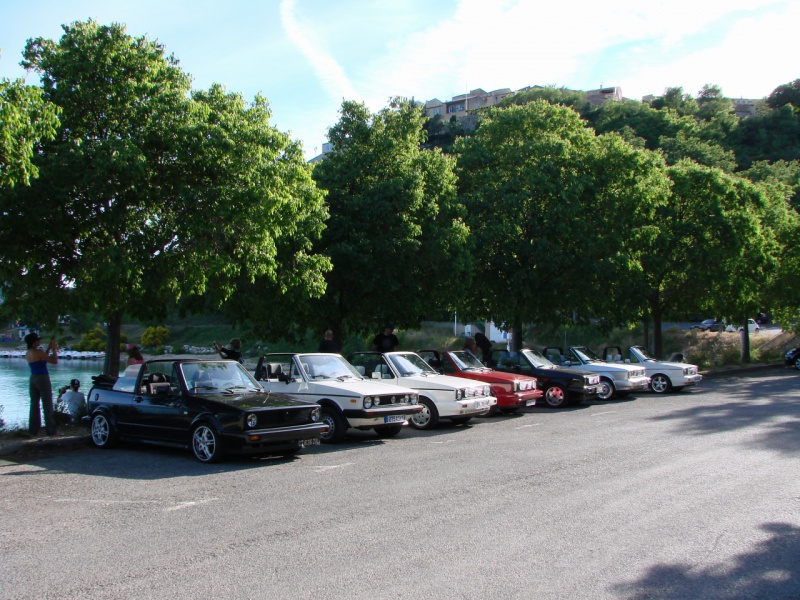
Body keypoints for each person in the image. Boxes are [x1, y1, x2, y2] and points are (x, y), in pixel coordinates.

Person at [24, 332, 58, 436]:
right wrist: (54, 349)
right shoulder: (39, 352)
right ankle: (51, 430)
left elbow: (42, 361)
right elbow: (54, 361)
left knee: (34, 404)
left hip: (33, 378)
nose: (39, 341)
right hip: (42, 378)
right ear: (33, 342)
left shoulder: (28, 353)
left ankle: (33, 430)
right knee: (47, 404)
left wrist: (48, 349)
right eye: (37, 340)